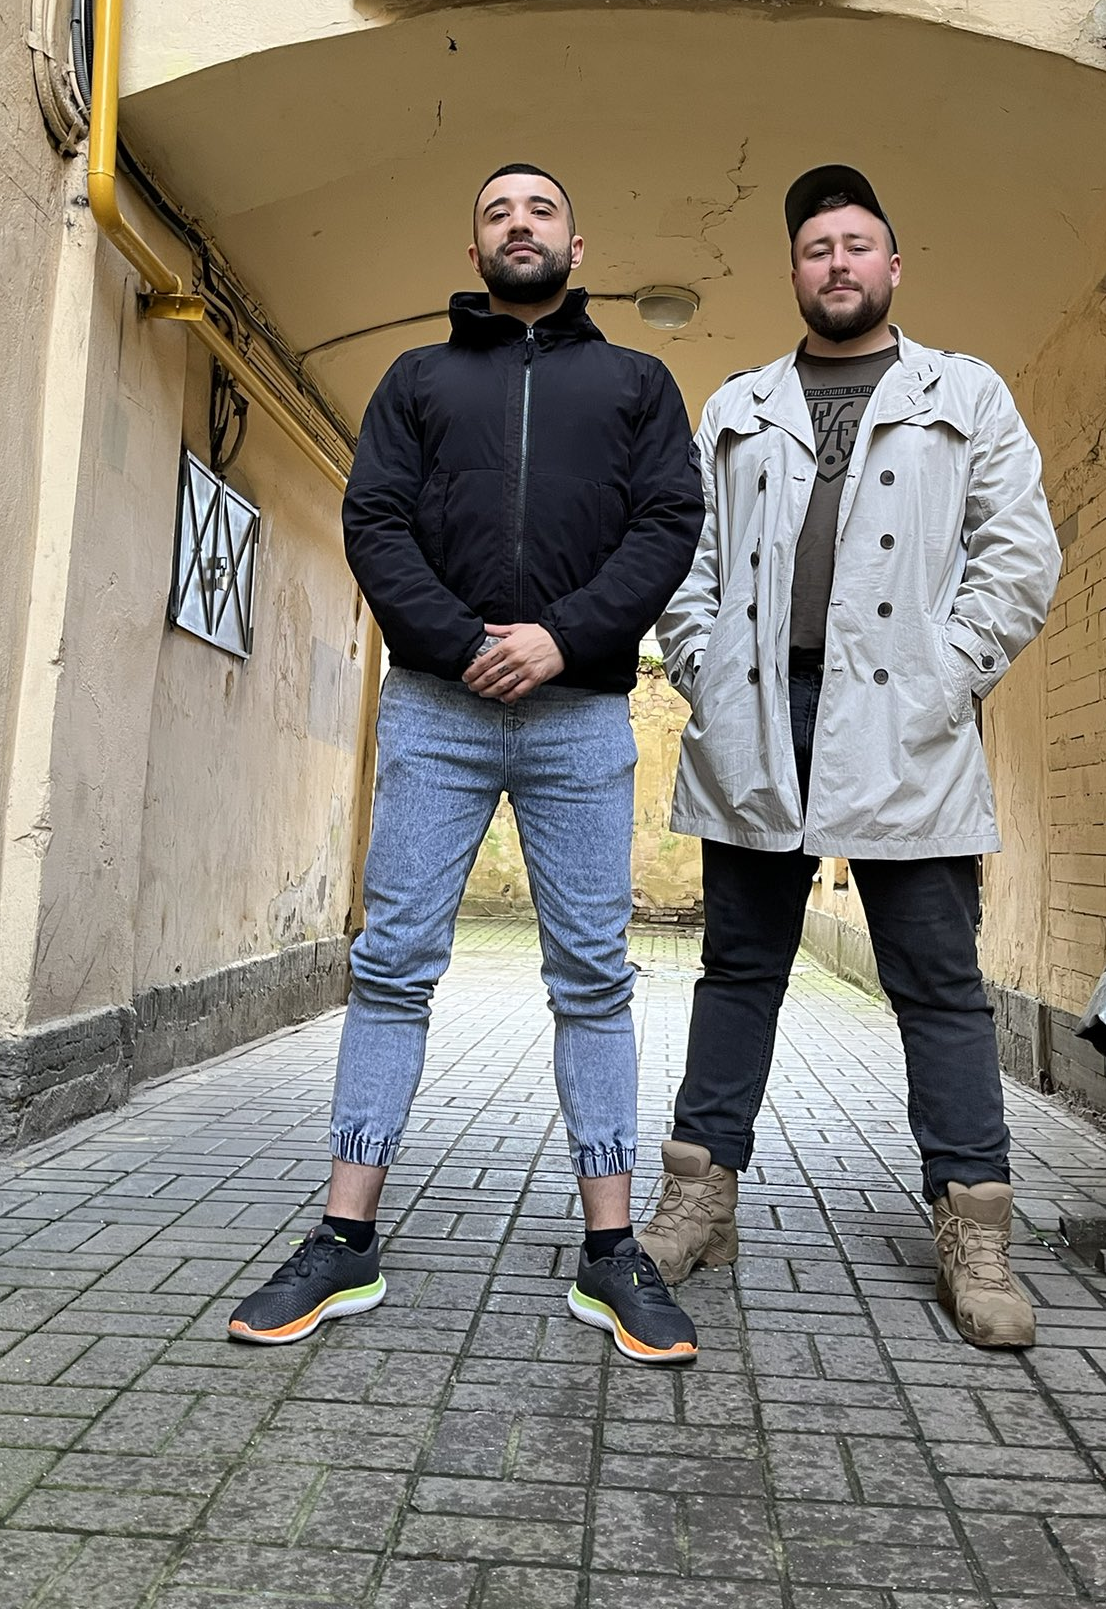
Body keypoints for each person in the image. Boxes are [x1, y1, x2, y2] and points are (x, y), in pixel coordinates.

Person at [229, 165, 705, 1364]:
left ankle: (612, 1249)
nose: (519, 225)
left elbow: (667, 523)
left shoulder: (637, 384)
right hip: (437, 709)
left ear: (577, 245)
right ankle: (344, 1235)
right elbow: (374, 521)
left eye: (540, 211)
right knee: (392, 963)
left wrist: (563, 638)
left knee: (592, 976)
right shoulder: (417, 379)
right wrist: (461, 643)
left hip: (580, 712)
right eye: (498, 212)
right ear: (475, 247)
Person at [640, 163, 1060, 1349]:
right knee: (739, 967)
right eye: (817, 247)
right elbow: (686, 555)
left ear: (893, 264)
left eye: (857, 244)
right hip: (763, 708)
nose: (838, 262)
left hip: (902, 716)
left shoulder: (963, 393)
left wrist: (945, 672)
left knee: (937, 977)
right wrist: (703, 667)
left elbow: (1019, 553)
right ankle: (700, 1197)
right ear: (794, 271)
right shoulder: (737, 406)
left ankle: (975, 1231)